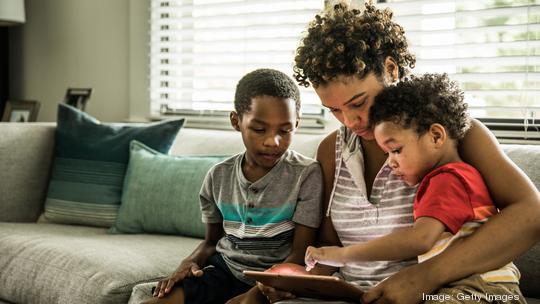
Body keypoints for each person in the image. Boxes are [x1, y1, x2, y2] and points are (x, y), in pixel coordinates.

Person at [258, 2, 540, 304]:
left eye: (357, 103)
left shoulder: (447, 133)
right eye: (335, 110)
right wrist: (297, 281)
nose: (350, 122)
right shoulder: (331, 150)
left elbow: (531, 215)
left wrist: (427, 275)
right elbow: (331, 251)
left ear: (391, 69)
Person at [304, 73, 524, 302]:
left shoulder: (449, 180)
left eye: (396, 150)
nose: (390, 161)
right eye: (334, 110)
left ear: (437, 136)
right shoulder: (441, 178)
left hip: (482, 287)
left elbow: (420, 239)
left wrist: (345, 255)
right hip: (456, 287)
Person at [145, 68, 323, 304]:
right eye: (259, 129)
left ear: (297, 124)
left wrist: (258, 290)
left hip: (275, 279)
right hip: (224, 271)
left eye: (285, 130)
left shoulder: (306, 174)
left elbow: (301, 253)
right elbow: (212, 242)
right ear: (236, 121)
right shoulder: (218, 176)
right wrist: (189, 262)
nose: (273, 141)